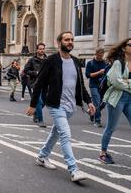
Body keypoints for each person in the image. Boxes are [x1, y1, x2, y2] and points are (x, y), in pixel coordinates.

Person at [26, 31, 95, 183]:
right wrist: (33, 105)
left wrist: (89, 101)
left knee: (55, 133)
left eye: (71, 39)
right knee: (65, 134)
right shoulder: (51, 60)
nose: (70, 42)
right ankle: (73, 169)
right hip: (56, 105)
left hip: (71, 106)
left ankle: (42, 157)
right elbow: (39, 83)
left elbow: (80, 86)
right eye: (66, 39)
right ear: (59, 43)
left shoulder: (76, 62)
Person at [99, 38, 131, 164]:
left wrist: (127, 82)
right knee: (111, 127)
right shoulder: (119, 63)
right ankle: (103, 153)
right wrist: (127, 83)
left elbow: (121, 81)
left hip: (129, 98)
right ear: (124, 48)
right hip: (117, 98)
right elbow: (116, 82)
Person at [25, 43, 48, 127]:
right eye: (40, 49)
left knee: (44, 102)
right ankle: (40, 120)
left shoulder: (47, 59)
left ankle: (35, 112)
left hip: (45, 84)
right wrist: (35, 73)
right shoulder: (32, 60)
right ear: (37, 50)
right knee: (39, 101)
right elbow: (26, 70)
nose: (42, 50)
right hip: (35, 83)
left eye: (43, 49)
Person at [85, 48, 107, 128]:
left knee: (103, 103)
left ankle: (92, 112)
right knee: (97, 102)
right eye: (99, 55)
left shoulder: (105, 63)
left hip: (103, 86)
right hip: (93, 85)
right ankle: (97, 121)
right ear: (96, 54)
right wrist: (99, 72)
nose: (101, 57)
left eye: (102, 55)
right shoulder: (90, 63)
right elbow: (88, 75)